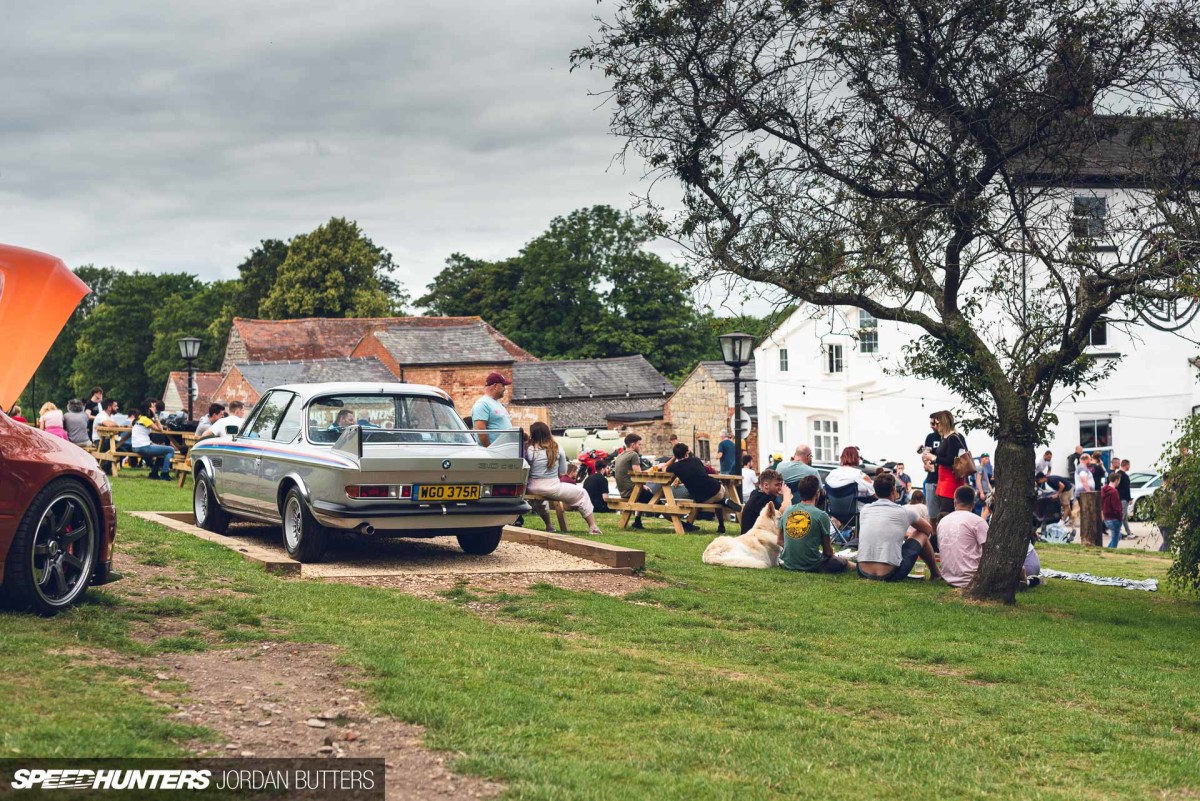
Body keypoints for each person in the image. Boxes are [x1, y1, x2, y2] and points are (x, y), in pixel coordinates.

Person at [855, 472, 940, 582]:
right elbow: (928, 530)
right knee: (921, 533)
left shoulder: (865, 510)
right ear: (894, 490)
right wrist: (907, 536)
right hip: (890, 574)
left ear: (875, 492)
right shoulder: (905, 511)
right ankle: (935, 573)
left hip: (862, 571)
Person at [526, 422, 602, 535]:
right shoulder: (556, 447)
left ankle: (549, 525)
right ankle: (593, 527)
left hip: (532, 487)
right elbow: (562, 472)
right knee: (582, 493)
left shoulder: (529, 449)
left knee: (540, 502)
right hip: (552, 487)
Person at [778, 474, 851, 573]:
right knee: (842, 561)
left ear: (800, 493)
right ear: (817, 493)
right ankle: (858, 567)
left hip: (787, 563)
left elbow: (779, 541)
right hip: (811, 565)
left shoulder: (787, 511)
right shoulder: (821, 515)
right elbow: (828, 552)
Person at [663, 443, 742, 532]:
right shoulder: (696, 460)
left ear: (676, 455)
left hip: (701, 498)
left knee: (706, 497)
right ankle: (721, 524)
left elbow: (664, 468)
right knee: (718, 497)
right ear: (686, 453)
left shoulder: (675, 467)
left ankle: (689, 525)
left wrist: (674, 457)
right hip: (716, 490)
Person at [937, 485, 991, 589]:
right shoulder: (978, 522)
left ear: (955, 502)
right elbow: (990, 551)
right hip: (972, 579)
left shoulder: (942, 521)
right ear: (973, 504)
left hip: (948, 578)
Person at [925, 410, 968, 518]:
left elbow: (950, 460)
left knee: (946, 513)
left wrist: (934, 458)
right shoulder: (946, 437)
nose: (935, 426)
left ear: (943, 423)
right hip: (943, 481)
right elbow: (943, 453)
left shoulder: (953, 438)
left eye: (937, 423)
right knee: (941, 513)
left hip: (950, 482)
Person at [614, 433, 653, 529]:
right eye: (639, 444)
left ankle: (637, 521)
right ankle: (681, 524)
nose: (640, 446)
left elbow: (633, 477)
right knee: (656, 500)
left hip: (623, 491)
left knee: (646, 492)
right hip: (631, 491)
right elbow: (639, 475)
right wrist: (655, 468)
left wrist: (643, 486)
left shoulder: (620, 455)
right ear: (633, 445)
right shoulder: (633, 455)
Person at [131, 400, 175, 480]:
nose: (155, 408)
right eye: (153, 407)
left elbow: (156, 426)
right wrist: (155, 415)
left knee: (162, 449)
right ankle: (165, 474)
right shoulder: (146, 420)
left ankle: (154, 473)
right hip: (143, 447)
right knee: (170, 450)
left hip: (136, 446)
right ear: (148, 409)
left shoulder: (140, 418)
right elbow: (160, 430)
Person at [471, 372, 514, 448]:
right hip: (493, 452)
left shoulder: (497, 403)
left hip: (503, 450)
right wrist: (489, 449)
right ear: (496, 386)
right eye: (503, 386)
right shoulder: (482, 404)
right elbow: (480, 429)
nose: (504, 389)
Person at [918, 413, 943, 514]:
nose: (931, 426)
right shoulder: (930, 437)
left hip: (946, 480)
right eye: (930, 423)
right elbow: (926, 455)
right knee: (932, 514)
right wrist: (925, 462)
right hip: (931, 479)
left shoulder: (950, 437)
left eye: (933, 423)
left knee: (944, 514)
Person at [1101, 472, 1123, 548]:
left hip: (1107, 518)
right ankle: (1111, 552)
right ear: (1116, 480)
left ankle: (1108, 549)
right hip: (1114, 518)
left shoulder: (1104, 490)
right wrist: (1120, 516)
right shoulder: (1114, 492)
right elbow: (1116, 507)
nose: (1119, 483)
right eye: (1119, 480)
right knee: (1115, 539)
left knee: (1117, 536)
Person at [1118, 459, 1133, 538]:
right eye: (1129, 465)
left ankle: (1128, 532)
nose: (1129, 467)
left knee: (1124, 516)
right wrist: (1129, 499)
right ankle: (1117, 532)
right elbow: (1127, 489)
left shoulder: (1117, 474)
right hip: (1124, 499)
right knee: (1123, 516)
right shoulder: (1125, 476)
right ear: (1126, 465)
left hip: (1118, 498)